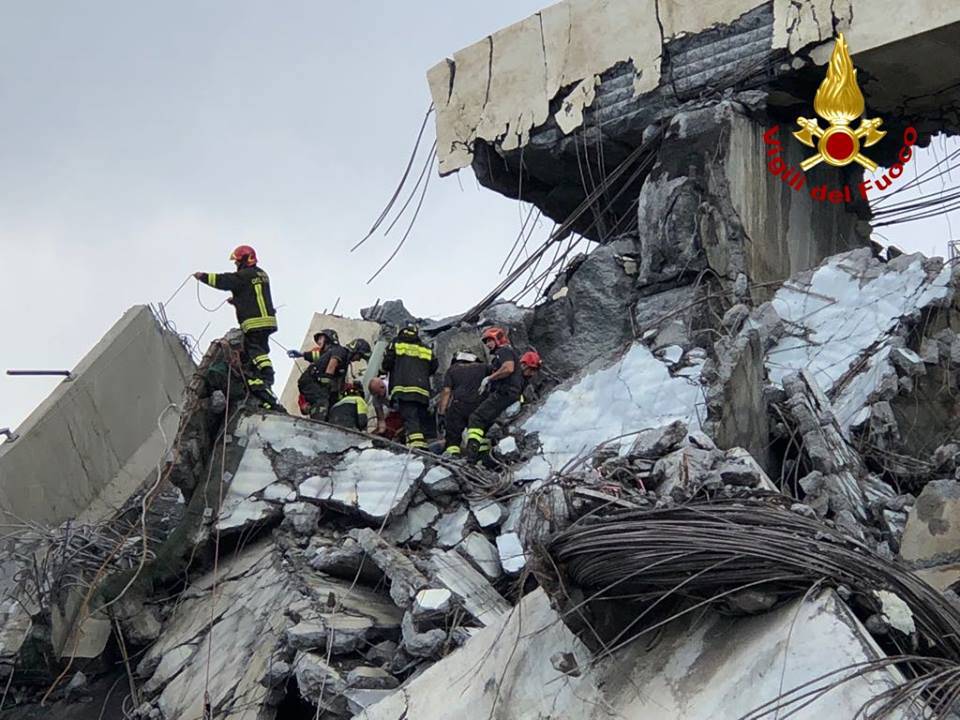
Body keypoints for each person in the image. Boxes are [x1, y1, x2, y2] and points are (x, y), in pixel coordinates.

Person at [194, 245, 280, 408]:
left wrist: (202, 277)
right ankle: (259, 379)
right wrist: (237, 300)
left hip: (254, 323)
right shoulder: (261, 274)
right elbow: (254, 294)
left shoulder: (244, 275)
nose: (236, 265)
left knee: (255, 351)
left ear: (244, 260)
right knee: (257, 352)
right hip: (267, 320)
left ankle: (266, 376)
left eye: (237, 262)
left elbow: (224, 281)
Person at [465, 327, 523, 462]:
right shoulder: (505, 353)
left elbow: (508, 368)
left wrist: (490, 378)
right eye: (486, 342)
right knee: (486, 425)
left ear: (498, 339)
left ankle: (471, 457)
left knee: (476, 418)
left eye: (489, 340)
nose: (487, 344)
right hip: (510, 393)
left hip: (505, 393)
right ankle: (484, 459)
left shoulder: (503, 351)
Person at [380, 323, 437, 449]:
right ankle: (423, 445)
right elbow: (434, 366)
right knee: (420, 419)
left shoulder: (396, 344)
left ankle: (416, 447)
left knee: (411, 419)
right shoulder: (425, 347)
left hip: (404, 390)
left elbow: (387, 364)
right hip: (423, 391)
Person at [289, 333, 371, 420]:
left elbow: (338, 384)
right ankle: (318, 423)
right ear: (355, 350)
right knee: (322, 401)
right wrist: (326, 387)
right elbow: (331, 366)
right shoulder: (341, 351)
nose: (359, 359)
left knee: (329, 402)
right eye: (360, 356)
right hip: (310, 381)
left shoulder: (343, 360)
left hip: (314, 382)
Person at [437, 351, 487, 456]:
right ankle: (481, 455)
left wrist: (441, 413)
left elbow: (446, 392)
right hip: (479, 405)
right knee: (478, 432)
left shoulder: (452, 370)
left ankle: (453, 454)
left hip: (459, 405)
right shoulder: (483, 368)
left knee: (453, 434)